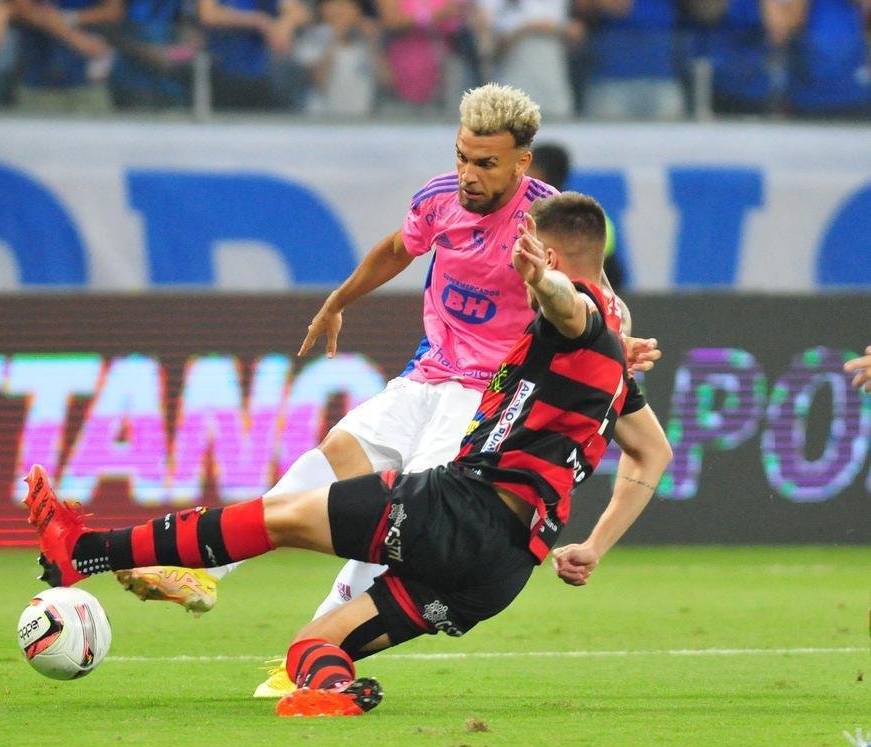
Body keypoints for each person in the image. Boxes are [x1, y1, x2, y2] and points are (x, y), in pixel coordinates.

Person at [23, 191, 673, 717]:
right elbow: (651, 455)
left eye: (526, 253)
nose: (517, 269)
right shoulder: (613, 371)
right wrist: (596, 546)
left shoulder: (574, 316)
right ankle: (334, 690)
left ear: (553, 255)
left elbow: (570, 306)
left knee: (280, 517)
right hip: (502, 571)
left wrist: (549, 281)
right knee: (312, 647)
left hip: (463, 510)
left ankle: (87, 549)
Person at [119, 83, 659, 699]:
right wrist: (338, 301)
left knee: (398, 527)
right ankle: (206, 572)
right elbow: (397, 249)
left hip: (485, 400)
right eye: (462, 156)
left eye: (485, 163)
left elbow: (596, 295)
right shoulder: (439, 198)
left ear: (521, 162)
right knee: (328, 459)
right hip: (428, 374)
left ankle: (311, 655)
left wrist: (621, 346)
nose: (469, 173)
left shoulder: (543, 218)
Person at [528, 141, 627, 288]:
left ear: (540, 174)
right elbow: (613, 275)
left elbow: (608, 271)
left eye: (528, 168)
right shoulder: (594, 216)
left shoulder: (530, 218)